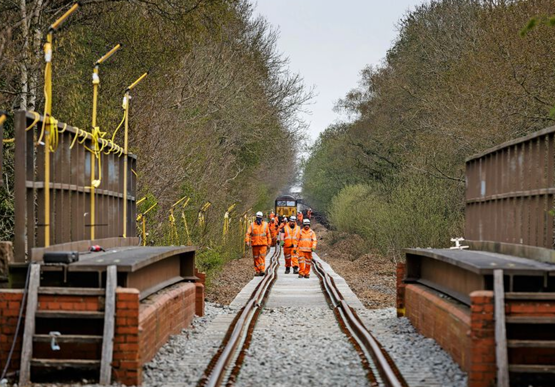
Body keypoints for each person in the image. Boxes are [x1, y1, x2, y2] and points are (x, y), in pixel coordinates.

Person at [245, 211, 271, 276]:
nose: (258, 218)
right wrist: (247, 241)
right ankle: (257, 271)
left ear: (262, 218)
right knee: (256, 258)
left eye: (260, 217)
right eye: (257, 217)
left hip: (263, 244)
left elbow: (268, 235)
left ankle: (262, 270)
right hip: (255, 244)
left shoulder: (265, 224)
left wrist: (269, 243)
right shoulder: (252, 225)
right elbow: (248, 233)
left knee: (262, 257)